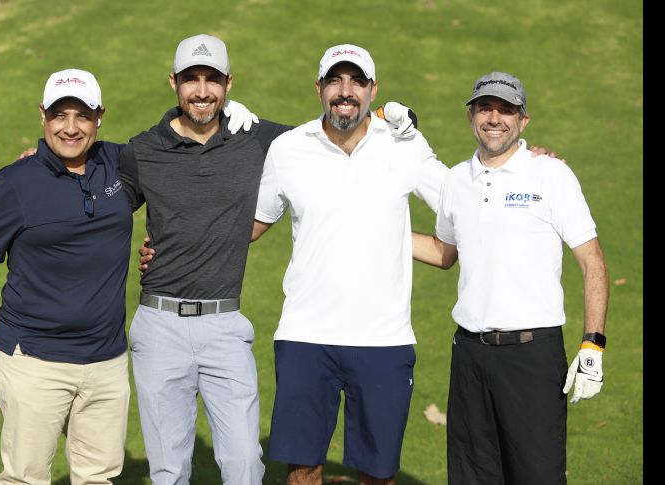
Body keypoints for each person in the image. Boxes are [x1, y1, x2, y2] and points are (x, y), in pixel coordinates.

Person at [122, 35, 418, 485]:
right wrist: (43, 159)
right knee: (167, 471)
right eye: (191, 80)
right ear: (173, 83)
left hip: (225, 324)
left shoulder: (260, 137)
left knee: (245, 465)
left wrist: (384, 115)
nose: (202, 91)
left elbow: (334, 127)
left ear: (228, 84)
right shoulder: (141, 150)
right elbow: (94, 191)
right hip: (159, 324)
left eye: (213, 80)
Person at [248, 43, 449, 485]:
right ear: (319, 88)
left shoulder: (403, 146)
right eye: (335, 80)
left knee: (377, 475)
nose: (346, 91)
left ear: (373, 90)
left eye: (357, 81)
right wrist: (171, 239)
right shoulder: (287, 149)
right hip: (305, 336)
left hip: (384, 340)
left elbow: (462, 203)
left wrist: (529, 165)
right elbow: (249, 226)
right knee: (302, 471)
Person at [411, 71, 609, 485]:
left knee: (537, 476)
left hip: (532, 356)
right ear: (470, 116)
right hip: (469, 354)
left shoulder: (550, 174)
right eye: (485, 108)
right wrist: (379, 228)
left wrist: (593, 343)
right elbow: (445, 254)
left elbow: (592, 261)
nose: (495, 117)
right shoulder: (457, 181)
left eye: (506, 109)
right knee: (471, 476)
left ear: (524, 120)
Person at [0, 68, 132, 485]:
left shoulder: (121, 165)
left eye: (82, 116)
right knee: (25, 478)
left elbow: (176, 151)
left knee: (98, 477)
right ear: (43, 116)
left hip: (106, 361)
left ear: (99, 117)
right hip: (33, 361)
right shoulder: (14, 184)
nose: (70, 128)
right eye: (60, 115)